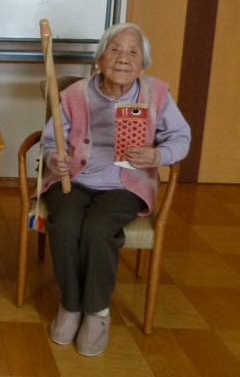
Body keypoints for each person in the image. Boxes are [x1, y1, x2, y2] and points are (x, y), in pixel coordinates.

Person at [41, 22, 190, 357]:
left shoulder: (156, 95)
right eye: (115, 49)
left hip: (126, 182)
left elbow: (181, 138)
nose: (124, 58)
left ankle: (96, 310)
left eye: (133, 52)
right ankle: (71, 304)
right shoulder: (75, 94)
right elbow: (51, 140)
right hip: (74, 179)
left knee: (97, 228)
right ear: (99, 59)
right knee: (63, 225)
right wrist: (55, 158)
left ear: (143, 65)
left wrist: (157, 154)